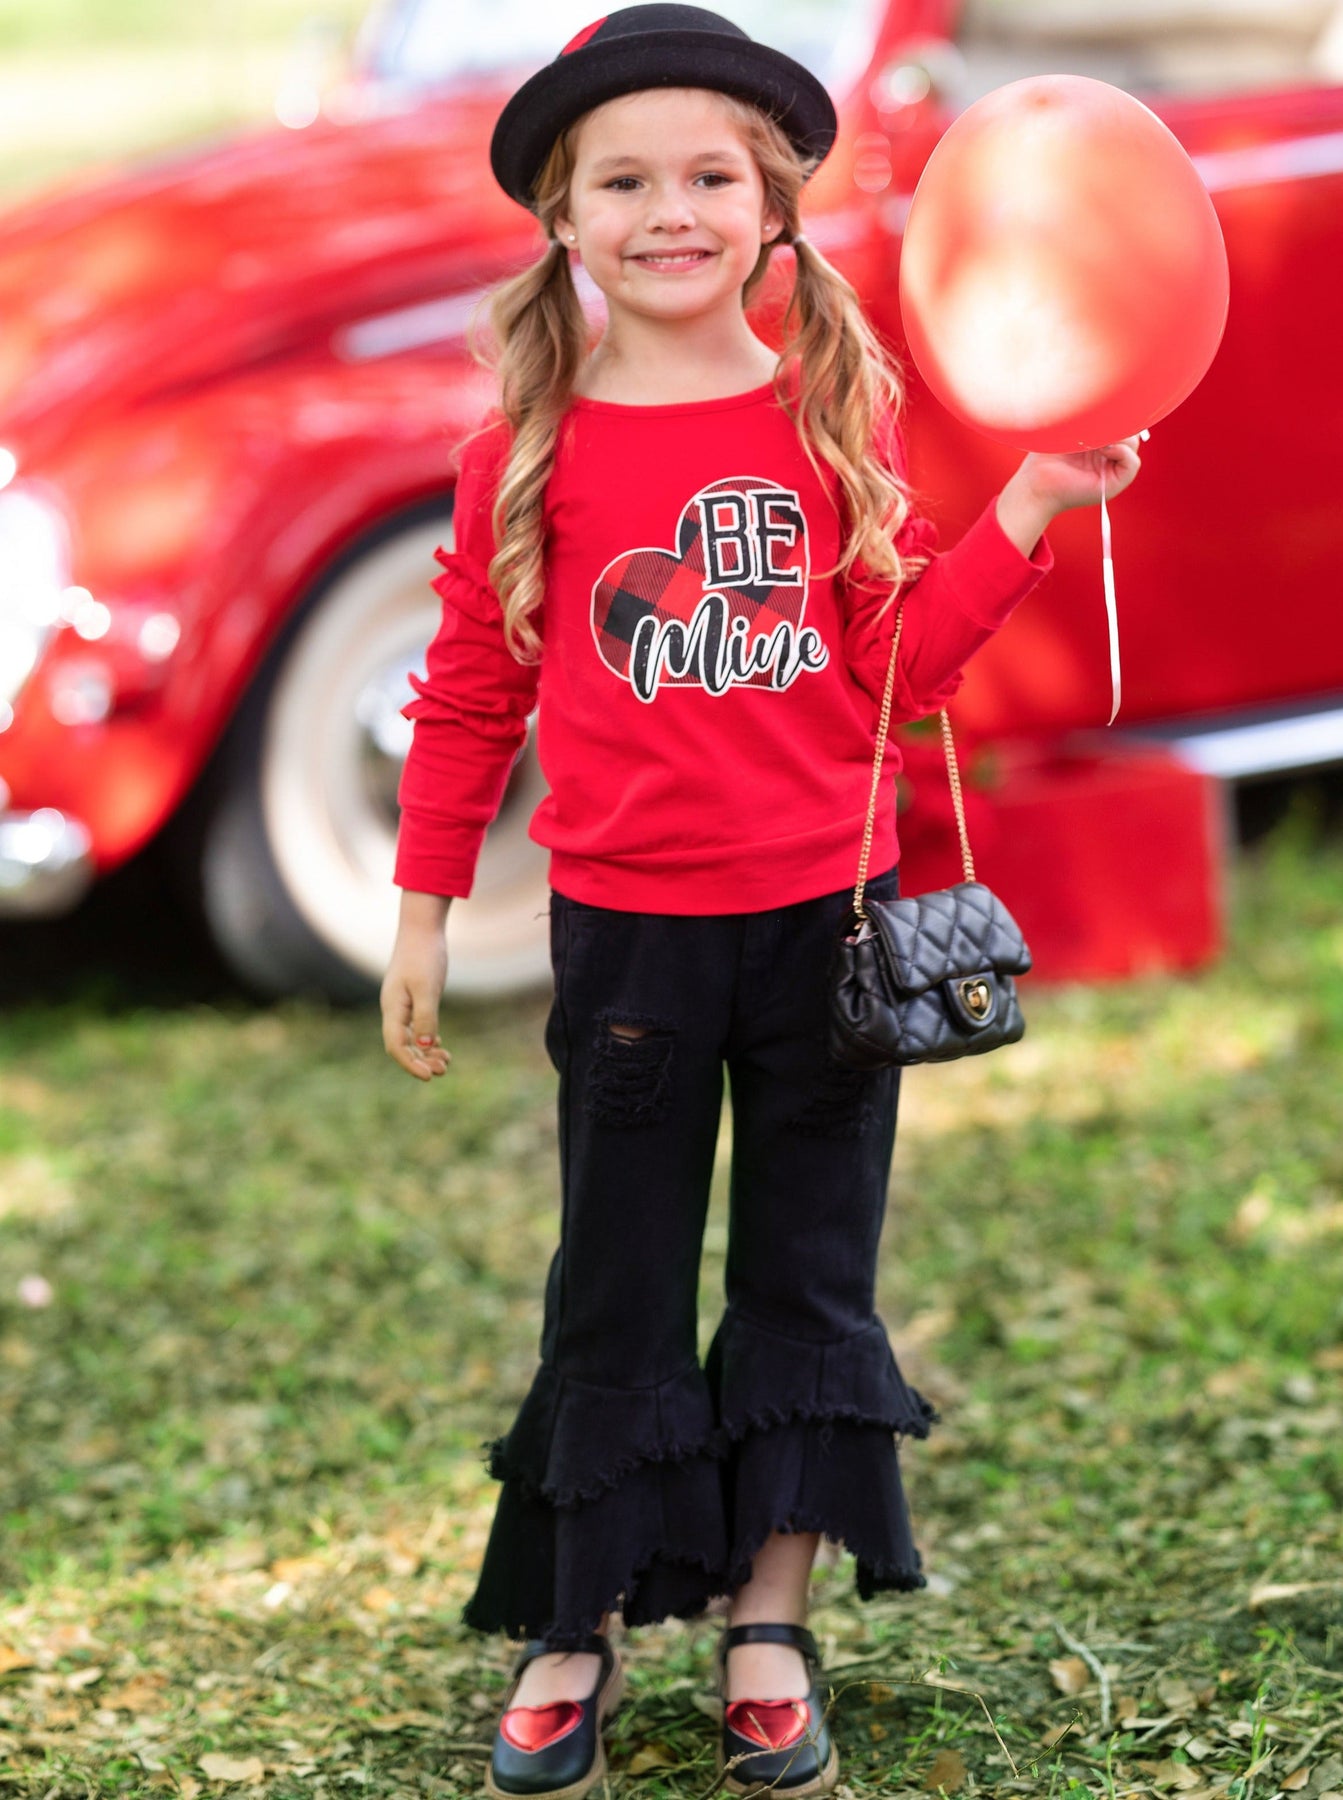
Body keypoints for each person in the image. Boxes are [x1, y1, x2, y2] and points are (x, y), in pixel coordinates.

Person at [379, 8, 1143, 1795]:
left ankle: (771, 1621)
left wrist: (1032, 504)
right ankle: (578, 1626)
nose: (671, 212)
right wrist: (422, 907)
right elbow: (472, 693)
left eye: (710, 176)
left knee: (812, 1271)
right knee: (616, 1285)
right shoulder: (529, 450)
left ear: (774, 203)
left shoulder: (831, 412)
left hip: (831, 929)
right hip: (631, 940)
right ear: (562, 217)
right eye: (623, 182)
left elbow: (901, 674)